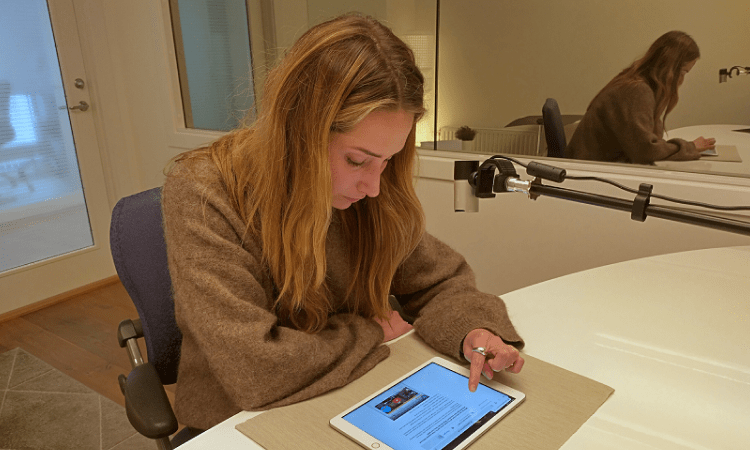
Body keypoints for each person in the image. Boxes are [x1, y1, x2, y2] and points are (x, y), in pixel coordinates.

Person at [162, 13, 524, 431]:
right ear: (298, 132)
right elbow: (255, 369)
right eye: (356, 160)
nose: (373, 186)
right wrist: (368, 331)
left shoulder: (371, 192)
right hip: (238, 419)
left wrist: (473, 330)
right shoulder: (204, 193)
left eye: (387, 161)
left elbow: (440, 281)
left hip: (350, 388)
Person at [567, 30, 716, 164]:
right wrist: (691, 147)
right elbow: (646, 150)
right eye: (683, 72)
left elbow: (649, 139)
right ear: (671, 69)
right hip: (593, 172)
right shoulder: (637, 90)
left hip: (592, 165)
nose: (682, 80)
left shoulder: (635, 79)